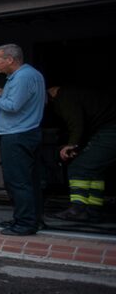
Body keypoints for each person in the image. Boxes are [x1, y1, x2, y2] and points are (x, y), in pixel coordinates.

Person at [0, 44, 46, 236]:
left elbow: (13, 106)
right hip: (27, 132)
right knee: (29, 180)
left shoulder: (23, 76)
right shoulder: (31, 75)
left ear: (10, 60)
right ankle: (31, 219)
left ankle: (25, 224)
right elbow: (22, 103)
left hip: (17, 134)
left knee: (17, 181)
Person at [47, 86, 116, 222]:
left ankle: (78, 209)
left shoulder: (64, 97)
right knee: (94, 170)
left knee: (79, 167)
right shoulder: (76, 94)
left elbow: (76, 123)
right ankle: (93, 209)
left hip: (111, 130)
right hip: (106, 129)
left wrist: (72, 145)